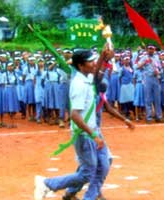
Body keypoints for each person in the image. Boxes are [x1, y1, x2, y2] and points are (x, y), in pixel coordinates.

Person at [34, 49, 105, 200]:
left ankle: (74, 193)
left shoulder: (86, 77)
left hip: (90, 132)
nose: (94, 64)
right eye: (90, 61)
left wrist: (105, 55)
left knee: (95, 166)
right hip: (84, 135)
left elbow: (98, 72)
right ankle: (48, 183)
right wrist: (93, 135)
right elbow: (74, 115)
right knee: (87, 172)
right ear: (80, 65)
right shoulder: (79, 84)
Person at [137, 44, 164, 123]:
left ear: (154, 50)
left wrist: (158, 72)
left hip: (156, 78)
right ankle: (148, 117)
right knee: (148, 98)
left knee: (157, 98)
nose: (151, 50)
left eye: (152, 49)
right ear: (147, 50)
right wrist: (145, 62)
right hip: (148, 78)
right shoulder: (144, 58)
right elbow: (137, 67)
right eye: (149, 49)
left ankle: (158, 116)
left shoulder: (156, 58)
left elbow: (160, 68)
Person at [2, 62, 20, 128]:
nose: (10, 67)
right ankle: (10, 122)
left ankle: (12, 122)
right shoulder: (4, 74)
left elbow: (17, 83)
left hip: (13, 89)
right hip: (7, 89)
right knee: (8, 106)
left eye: (12, 66)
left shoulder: (16, 74)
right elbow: (3, 84)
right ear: (7, 67)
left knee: (14, 106)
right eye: (9, 66)